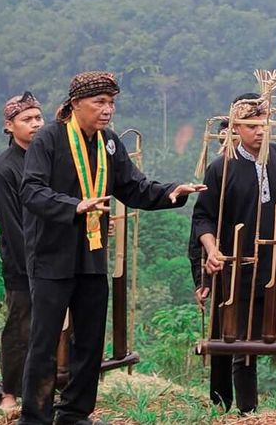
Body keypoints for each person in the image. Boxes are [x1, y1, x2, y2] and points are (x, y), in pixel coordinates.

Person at [18, 71, 205, 425]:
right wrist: (73, 206)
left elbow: (133, 187)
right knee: (44, 343)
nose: (107, 110)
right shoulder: (49, 140)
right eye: (99, 102)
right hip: (51, 256)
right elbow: (31, 191)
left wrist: (171, 192)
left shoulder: (109, 143)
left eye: (112, 103)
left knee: (89, 342)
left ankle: (74, 413)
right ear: (75, 104)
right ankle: (35, 417)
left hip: (91, 255)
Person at [191, 93, 276, 413]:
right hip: (243, 274)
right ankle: (246, 412)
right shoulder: (221, 168)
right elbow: (203, 217)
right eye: (251, 125)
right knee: (241, 347)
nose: (259, 131)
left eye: (264, 124)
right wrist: (211, 249)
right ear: (235, 128)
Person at [0, 92, 44, 414]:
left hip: (53, 259)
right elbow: (13, 228)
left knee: (51, 327)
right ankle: (9, 393)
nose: (35, 124)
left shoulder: (46, 158)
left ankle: (44, 389)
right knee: (20, 327)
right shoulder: (4, 170)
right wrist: (32, 269)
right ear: (10, 126)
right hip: (22, 263)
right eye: (27, 119)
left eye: (38, 117)